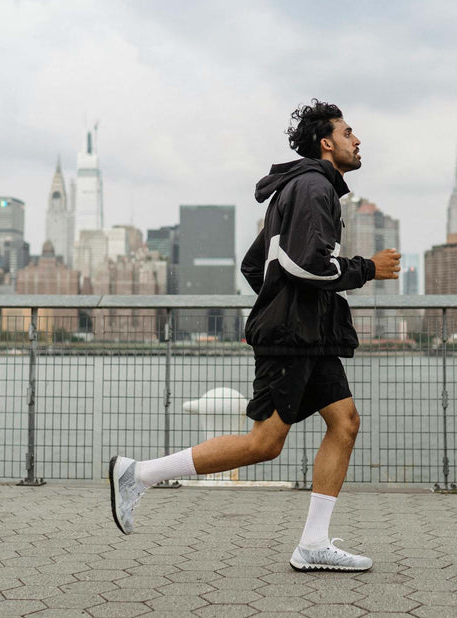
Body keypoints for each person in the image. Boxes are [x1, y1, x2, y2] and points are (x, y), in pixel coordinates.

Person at [110, 99, 401, 572]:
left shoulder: (303, 188)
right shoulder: (312, 187)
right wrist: (368, 269)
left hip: (309, 334)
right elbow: (308, 264)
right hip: (292, 336)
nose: (358, 139)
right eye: (349, 132)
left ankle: (312, 543)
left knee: (345, 422)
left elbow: (255, 264)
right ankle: (138, 475)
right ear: (326, 142)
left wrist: (279, 302)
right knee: (264, 443)